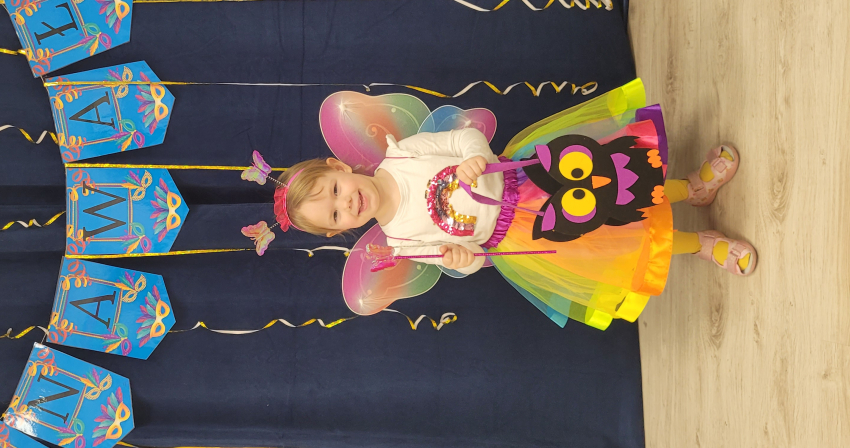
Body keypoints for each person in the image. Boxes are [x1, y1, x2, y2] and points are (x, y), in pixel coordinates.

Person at [274, 80, 754, 329]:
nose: (346, 203)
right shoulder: (400, 242)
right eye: (335, 215)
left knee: (616, 183)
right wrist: (461, 259)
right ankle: (699, 243)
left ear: (338, 166)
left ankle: (692, 189)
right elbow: (472, 258)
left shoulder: (402, 155)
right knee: (620, 238)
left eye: (334, 190)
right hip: (525, 231)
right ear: (339, 231)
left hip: (528, 176)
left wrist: (475, 159)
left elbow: (462, 139)